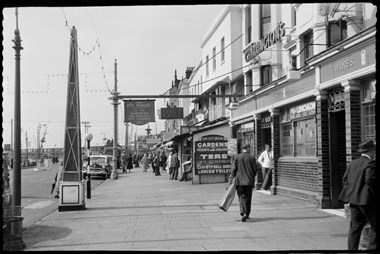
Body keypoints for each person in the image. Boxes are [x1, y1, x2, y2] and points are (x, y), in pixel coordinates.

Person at [338, 140, 376, 250]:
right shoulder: (371, 163)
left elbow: (345, 180)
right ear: (371, 151)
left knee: (355, 228)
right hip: (368, 201)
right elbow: (371, 181)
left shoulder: (352, 163)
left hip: (354, 201)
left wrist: (352, 193)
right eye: (374, 151)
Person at [229, 144, 258, 222]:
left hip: (239, 181)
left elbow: (234, 169)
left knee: (241, 197)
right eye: (250, 148)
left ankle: (243, 211)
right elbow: (255, 169)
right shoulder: (251, 157)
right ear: (248, 148)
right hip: (249, 181)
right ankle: (247, 213)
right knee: (248, 198)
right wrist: (252, 176)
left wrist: (232, 177)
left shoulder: (237, 157)